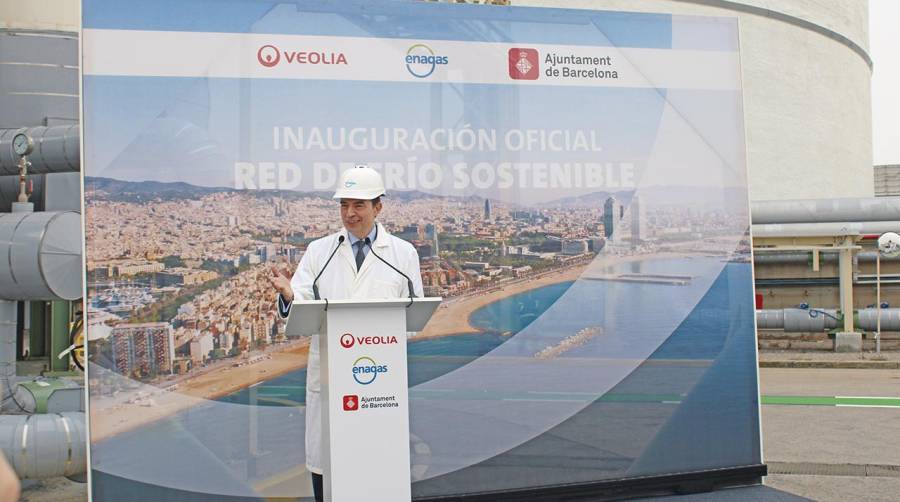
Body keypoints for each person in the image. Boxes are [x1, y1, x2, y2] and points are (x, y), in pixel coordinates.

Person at [268, 165, 423, 502]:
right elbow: (300, 309)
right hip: (330, 384)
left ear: (378, 207)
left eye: (359, 205)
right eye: (343, 205)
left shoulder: (403, 255)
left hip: (379, 389)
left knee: (381, 477)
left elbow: (411, 321)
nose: (349, 214)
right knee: (331, 477)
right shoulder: (318, 252)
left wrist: (373, 341)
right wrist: (289, 296)